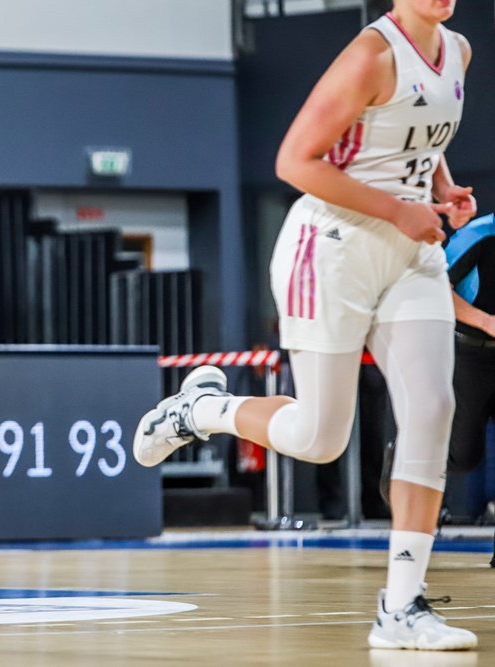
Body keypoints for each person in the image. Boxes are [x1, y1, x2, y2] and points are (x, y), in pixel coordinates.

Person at [133, 0, 477, 651]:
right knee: (321, 436)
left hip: (411, 254)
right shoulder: (370, 56)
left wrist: (444, 189)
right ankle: (203, 409)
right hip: (333, 247)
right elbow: (294, 160)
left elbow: (418, 140)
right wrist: (398, 210)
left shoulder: (457, 51)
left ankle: (402, 605)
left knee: (433, 407)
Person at [442, 212, 495, 560]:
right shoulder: (477, 233)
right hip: (469, 353)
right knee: (463, 455)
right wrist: (486, 322)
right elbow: (434, 287)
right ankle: (403, 451)